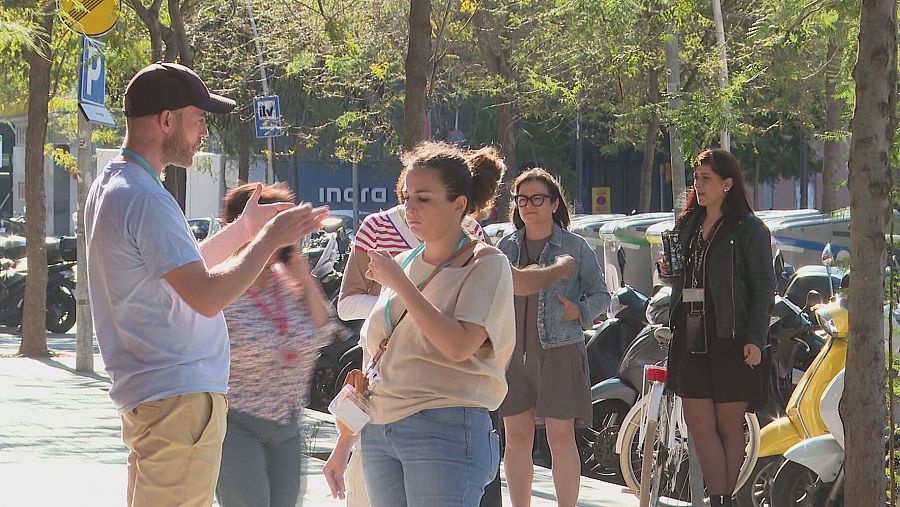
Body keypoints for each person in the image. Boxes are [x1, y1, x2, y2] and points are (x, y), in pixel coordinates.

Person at [85, 62, 327, 507]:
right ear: (166, 120)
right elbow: (207, 295)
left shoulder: (116, 183)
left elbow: (184, 270)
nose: (203, 134)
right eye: (198, 120)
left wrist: (245, 231)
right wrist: (271, 238)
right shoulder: (144, 196)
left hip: (162, 398)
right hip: (178, 399)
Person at [323, 141, 514, 507]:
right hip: (380, 428)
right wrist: (344, 442)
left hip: (444, 427)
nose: (409, 208)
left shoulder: (485, 262)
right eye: (406, 196)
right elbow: (377, 358)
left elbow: (458, 345)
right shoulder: (406, 261)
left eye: (423, 198)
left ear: (459, 204)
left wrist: (401, 285)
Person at [658, 149, 774, 507]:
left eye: (706, 178)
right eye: (697, 178)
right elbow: (680, 276)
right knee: (698, 420)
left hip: (731, 334)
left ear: (728, 184)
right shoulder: (688, 223)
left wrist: (756, 337)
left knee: (728, 422)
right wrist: (667, 271)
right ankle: (719, 497)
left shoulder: (749, 229)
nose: (699, 185)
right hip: (690, 330)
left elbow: (763, 285)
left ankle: (726, 499)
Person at [215, 183, 342, 507]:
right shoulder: (221, 283)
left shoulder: (285, 280)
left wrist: (304, 277)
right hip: (237, 423)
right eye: (278, 221)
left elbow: (324, 331)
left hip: (287, 423)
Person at [496, 168, 610, 507]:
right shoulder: (505, 246)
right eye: (522, 199)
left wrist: (580, 312)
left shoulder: (574, 247)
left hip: (560, 351)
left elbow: (602, 294)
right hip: (514, 353)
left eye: (537, 199)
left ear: (554, 203)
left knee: (561, 438)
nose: (528, 206)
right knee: (515, 438)